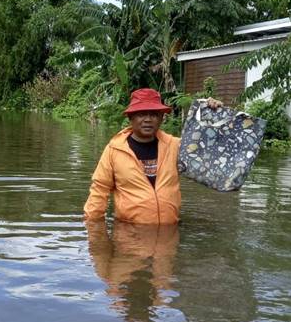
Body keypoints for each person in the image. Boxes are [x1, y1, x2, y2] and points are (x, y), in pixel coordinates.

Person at [83, 87, 221, 225]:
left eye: (154, 114)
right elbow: (99, 191)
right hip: (129, 233)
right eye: (141, 114)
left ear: (162, 118)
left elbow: (213, 151)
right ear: (131, 117)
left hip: (169, 233)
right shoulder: (114, 150)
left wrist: (213, 114)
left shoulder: (175, 146)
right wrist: (95, 233)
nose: (148, 119)